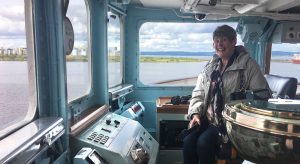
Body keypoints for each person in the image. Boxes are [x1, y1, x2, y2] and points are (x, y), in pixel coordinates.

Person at [183, 25, 270, 164]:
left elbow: (262, 96)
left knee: (203, 143)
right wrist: (195, 114)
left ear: (233, 41)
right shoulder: (210, 67)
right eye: (216, 41)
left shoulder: (248, 66)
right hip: (209, 119)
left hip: (230, 123)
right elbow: (199, 92)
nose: (219, 45)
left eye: (223, 40)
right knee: (188, 141)